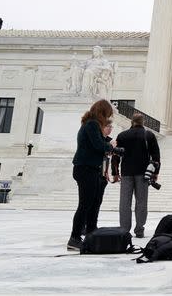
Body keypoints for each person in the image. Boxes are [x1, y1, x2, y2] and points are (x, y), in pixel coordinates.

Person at [68, 99, 116, 251]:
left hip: (90, 168)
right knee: (85, 204)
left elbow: (99, 143)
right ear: (103, 112)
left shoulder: (90, 124)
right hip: (85, 168)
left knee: (94, 202)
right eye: (107, 114)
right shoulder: (92, 124)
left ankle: (91, 231)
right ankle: (75, 237)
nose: (108, 118)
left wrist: (108, 146)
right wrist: (111, 147)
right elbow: (98, 145)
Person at [115, 114, 160, 238]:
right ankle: (139, 229)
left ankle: (124, 230)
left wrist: (115, 173)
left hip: (126, 172)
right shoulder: (148, 135)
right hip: (143, 173)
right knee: (141, 202)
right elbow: (156, 155)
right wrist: (155, 172)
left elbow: (115, 155)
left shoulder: (122, 135)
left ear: (132, 121)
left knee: (125, 202)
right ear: (143, 122)